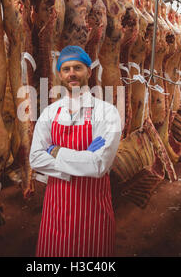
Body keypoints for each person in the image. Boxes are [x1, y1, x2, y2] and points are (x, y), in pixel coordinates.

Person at [29, 45, 122, 257]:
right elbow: (35, 159)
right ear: (60, 75)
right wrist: (82, 159)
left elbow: (99, 165)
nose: (72, 73)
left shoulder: (107, 113)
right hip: (56, 213)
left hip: (94, 216)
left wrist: (54, 151)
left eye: (78, 68)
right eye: (66, 69)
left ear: (89, 72)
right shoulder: (50, 113)